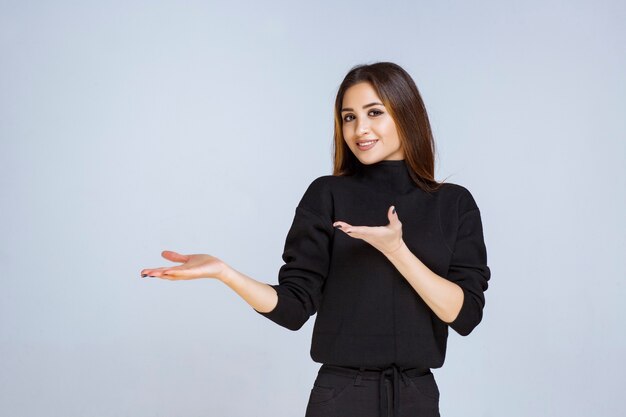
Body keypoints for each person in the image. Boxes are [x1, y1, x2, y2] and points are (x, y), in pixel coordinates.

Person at [140, 61, 491, 417]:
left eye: (374, 112)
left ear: (406, 114)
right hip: (340, 397)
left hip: (417, 397)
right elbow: (293, 309)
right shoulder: (327, 195)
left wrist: (396, 251)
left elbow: (463, 315)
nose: (359, 129)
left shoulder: (453, 203)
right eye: (349, 117)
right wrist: (225, 273)